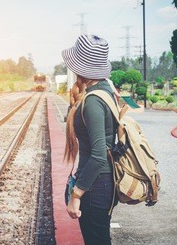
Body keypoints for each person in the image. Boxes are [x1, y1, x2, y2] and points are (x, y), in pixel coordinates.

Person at [62, 34, 118, 245]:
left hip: (95, 186)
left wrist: (76, 195)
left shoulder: (94, 101)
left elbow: (98, 155)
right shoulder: (106, 89)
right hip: (101, 184)